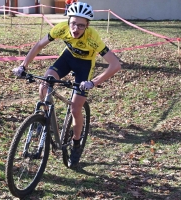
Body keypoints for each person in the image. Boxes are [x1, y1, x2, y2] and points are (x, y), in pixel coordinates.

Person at [13, 2, 121, 168]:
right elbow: (39, 45)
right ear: (68, 21)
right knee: (44, 85)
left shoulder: (93, 38)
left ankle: (76, 144)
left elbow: (115, 65)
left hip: (85, 66)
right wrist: (23, 66)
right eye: (73, 23)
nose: (76, 28)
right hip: (67, 59)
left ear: (87, 26)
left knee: (75, 109)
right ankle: (47, 122)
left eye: (81, 25)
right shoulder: (61, 28)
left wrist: (93, 82)